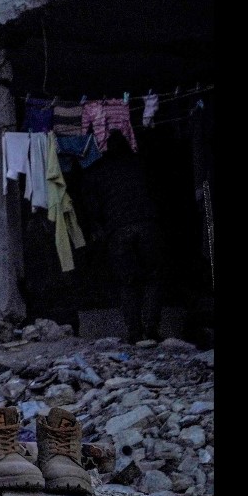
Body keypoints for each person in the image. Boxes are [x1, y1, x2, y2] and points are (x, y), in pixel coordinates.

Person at [81, 130, 165, 343]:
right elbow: (157, 191)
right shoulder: (140, 164)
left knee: (127, 282)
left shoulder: (99, 170)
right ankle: (151, 329)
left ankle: (135, 333)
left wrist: (99, 228)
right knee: (153, 278)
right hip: (147, 225)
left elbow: (92, 208)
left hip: (118, 231)